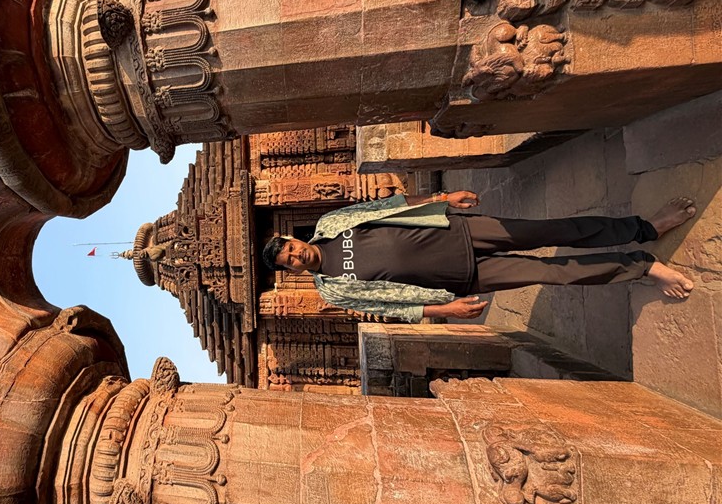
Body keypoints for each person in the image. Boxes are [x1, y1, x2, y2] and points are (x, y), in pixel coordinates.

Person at [261, 191, 696, 323]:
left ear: (293, 238)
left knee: (554, 230)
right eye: (289, 262)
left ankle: (647, 228)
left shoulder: (333, 222)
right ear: (290, 272)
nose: (296, 256)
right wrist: (445, 309)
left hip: (459, 230)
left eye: (291, 248)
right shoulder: (334, 290)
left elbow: (388, 207)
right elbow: (392, 306)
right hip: (462, 278)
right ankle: (642, 266)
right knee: (552, 273)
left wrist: (441, 197)